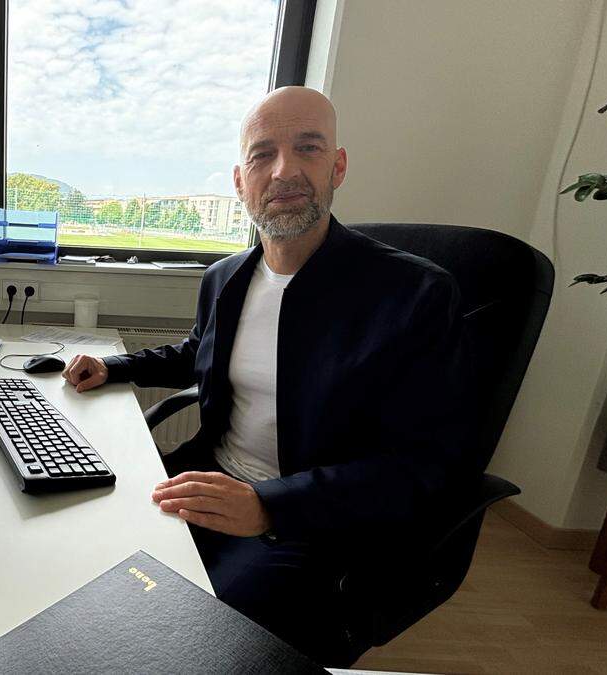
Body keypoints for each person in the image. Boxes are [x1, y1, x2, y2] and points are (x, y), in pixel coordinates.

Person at [62, 86, 471, 664]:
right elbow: (197, 352)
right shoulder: (226, 276)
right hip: (209, 476)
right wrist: (113, 366)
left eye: (308, 147)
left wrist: (268, 505)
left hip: (311, 522)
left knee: (192, 644)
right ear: (239, 179)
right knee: (83, 565)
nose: (284, 171)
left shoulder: (414, 296)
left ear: (339, 165)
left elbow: (423, 466)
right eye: (262, 155)